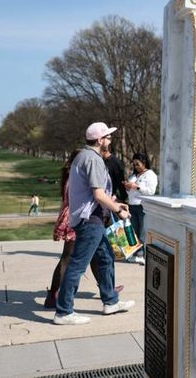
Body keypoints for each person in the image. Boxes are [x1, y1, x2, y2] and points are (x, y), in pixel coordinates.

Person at [53, 122, 134, 325]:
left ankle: (110, 302)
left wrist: (114, 202)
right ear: (99, 140)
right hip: (90, 220)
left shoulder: (84, 156)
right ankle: (63, 312)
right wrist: (118, 211)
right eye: (107, 137)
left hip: (92, 218)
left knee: (105, 258)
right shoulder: (92, 159)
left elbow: (95, 193)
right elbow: (98, 194)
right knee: (77, 265)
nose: (110, 140)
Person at [45, 149, 123, 309]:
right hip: (79, 216)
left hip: (72, 215)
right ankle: (55, 296)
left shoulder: (71, 175)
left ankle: (107, 289)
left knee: (95, 257)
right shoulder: (77, 176)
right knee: (70, 258)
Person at [124, 152, 158, 265]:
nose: (136, 167)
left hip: (142, 206)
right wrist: (127, 187)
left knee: (143, 231)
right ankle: (135, 253)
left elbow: (151, 191)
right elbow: (130, 191)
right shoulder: (134, 175)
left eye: (138, 164)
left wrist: (136, 187)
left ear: (144, 163)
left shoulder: (150, 174)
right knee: (134, 231)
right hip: (132, 205)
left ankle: (142, 254)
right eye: (134, 164)